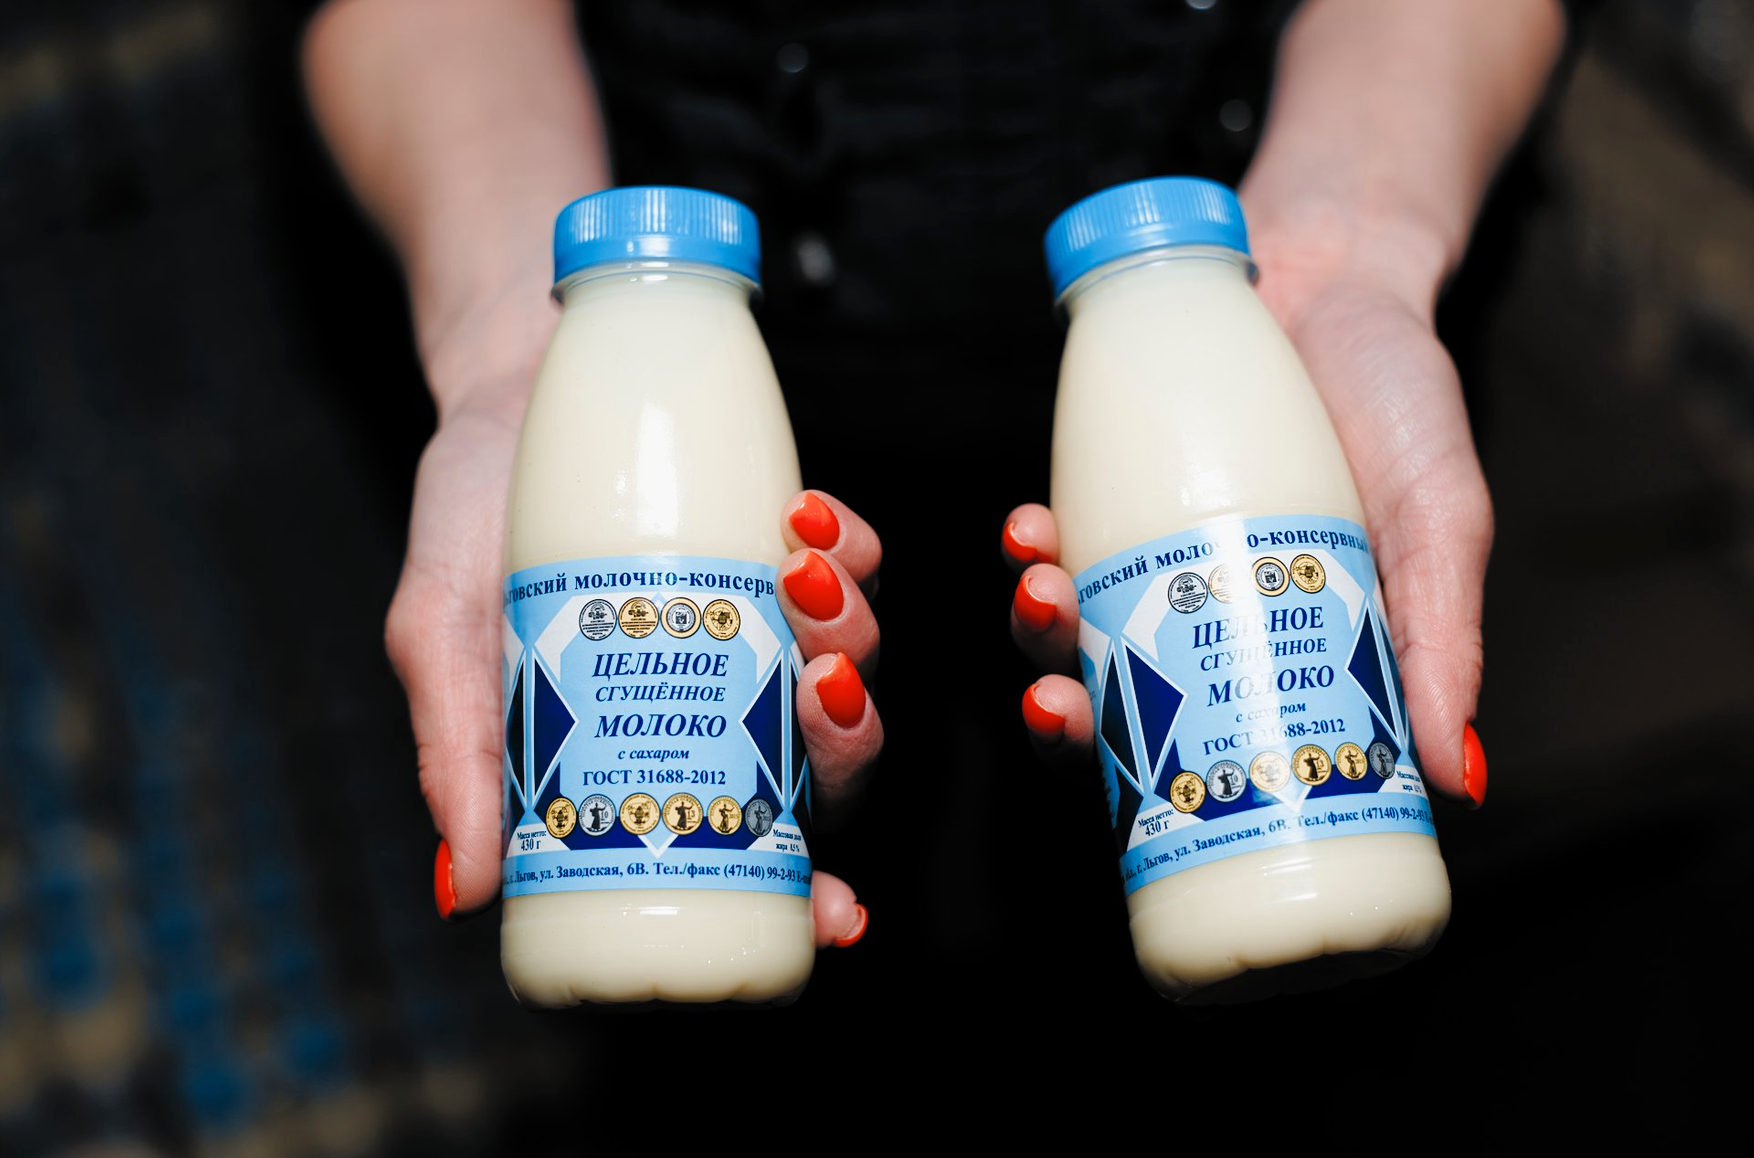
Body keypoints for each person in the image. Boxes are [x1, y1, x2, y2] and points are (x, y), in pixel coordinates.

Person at [303, 0, 1565, 942]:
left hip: (1273, 293)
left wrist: (1360, 232)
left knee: (1155, 919)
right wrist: (506, 339)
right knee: (766, 927)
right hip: (750, 361)